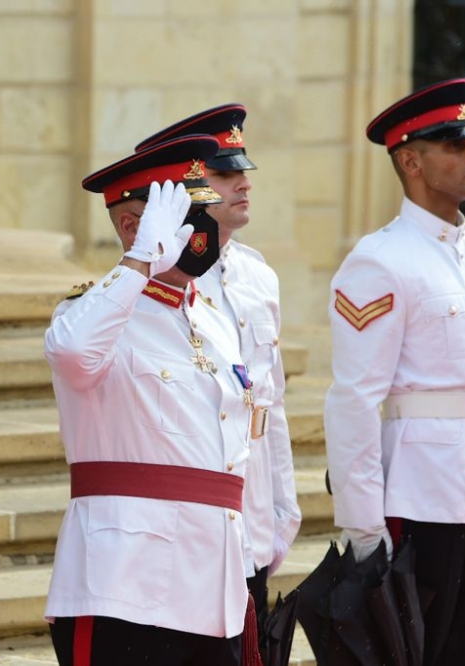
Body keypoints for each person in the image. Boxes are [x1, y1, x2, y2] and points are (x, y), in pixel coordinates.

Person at [323, 79, 465, 665]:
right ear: (410, 160)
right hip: (421, 495)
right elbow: (355, 399)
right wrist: (363, 526)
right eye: (457, 146)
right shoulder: (379, 259)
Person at [44, 135, 259, 665]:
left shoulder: (210, 320)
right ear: (132, 226)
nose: (203, 228)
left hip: (213, 585)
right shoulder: (95, 314)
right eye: (187, 214)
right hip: (126, 586)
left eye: (205, 211)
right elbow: (71, 352)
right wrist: (139, 262)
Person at [133, 105, 301, 619]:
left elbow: (268, 404)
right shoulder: (161, 277)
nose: (243, 184)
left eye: (242, 171)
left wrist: (283, 509)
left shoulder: (258, 275)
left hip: (252, 508)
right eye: (224, 174)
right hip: (189, 514)